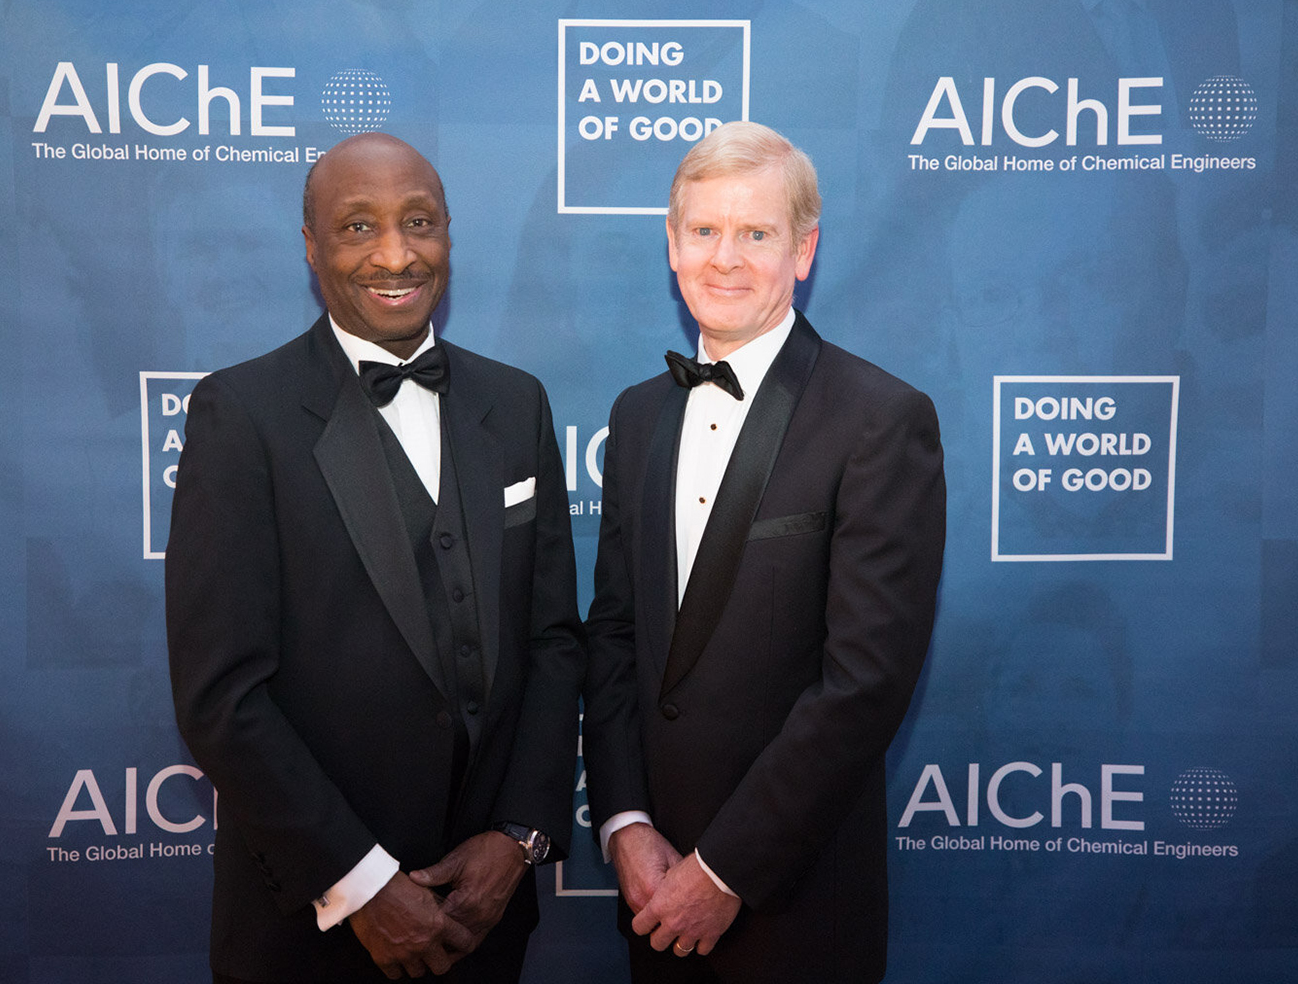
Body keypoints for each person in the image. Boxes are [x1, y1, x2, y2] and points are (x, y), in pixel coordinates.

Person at [166, 132, 585, 983]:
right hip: (313, 930)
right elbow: (222, 696)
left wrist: (517, 839)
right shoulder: (242, 415)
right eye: (358, 227)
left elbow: (552, 642)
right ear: (312, 248)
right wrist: (362, 884)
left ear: (451, 237)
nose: (396, 253)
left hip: (486, 918)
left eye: (419, 222)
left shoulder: (517, 403)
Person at [582, 121, 946, 982]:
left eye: (757, 233)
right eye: (704, 230)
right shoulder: (637, 417)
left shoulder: (880, 420)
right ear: (672, 246)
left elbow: (864, 682)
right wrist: (626, 824)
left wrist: (726, 869)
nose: (726, 259)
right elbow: (614, 637)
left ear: (804, 250)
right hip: (654, 896)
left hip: (796, 900)